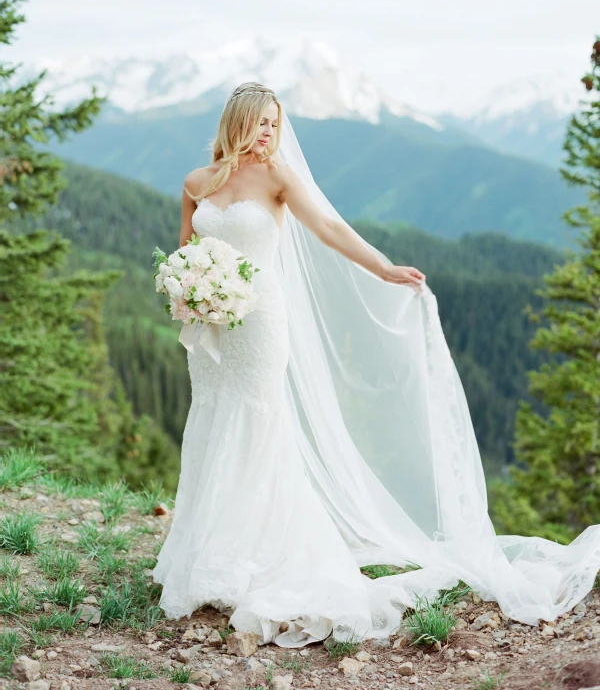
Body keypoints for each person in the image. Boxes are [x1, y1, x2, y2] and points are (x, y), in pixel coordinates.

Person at [152, 82, 600, 649]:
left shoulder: (279, 179)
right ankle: (206, 550)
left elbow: (330, 228)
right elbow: (187, 256)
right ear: (236, 123)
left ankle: (257, 555)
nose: (270, 133)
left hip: (262, 320)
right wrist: (188, 293)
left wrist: (384, 268)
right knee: (213, 419)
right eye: (261, 123)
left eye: (275, 123)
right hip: (214, 328)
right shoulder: (196, 183)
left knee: (260, 421)